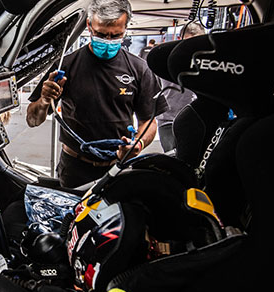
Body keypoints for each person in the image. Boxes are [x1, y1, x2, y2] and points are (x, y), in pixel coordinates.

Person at [26, 0, 168, 188]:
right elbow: (33, 120)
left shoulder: (139, 69)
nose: (108, 41)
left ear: (125, 29)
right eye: (101, 34)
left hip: (117, 167)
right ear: (89, 26)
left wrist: (138, 144)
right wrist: (44, 100)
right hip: (75, 168)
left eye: (116, 35)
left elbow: (148, 122)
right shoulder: (65, 66)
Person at [155, 22, 206, 151]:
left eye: (198, 42)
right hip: (169, 120)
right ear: (179, 39)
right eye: (188, 42)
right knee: (173, 157)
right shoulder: (164, 58)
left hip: (197, 119)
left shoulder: (206, 61)